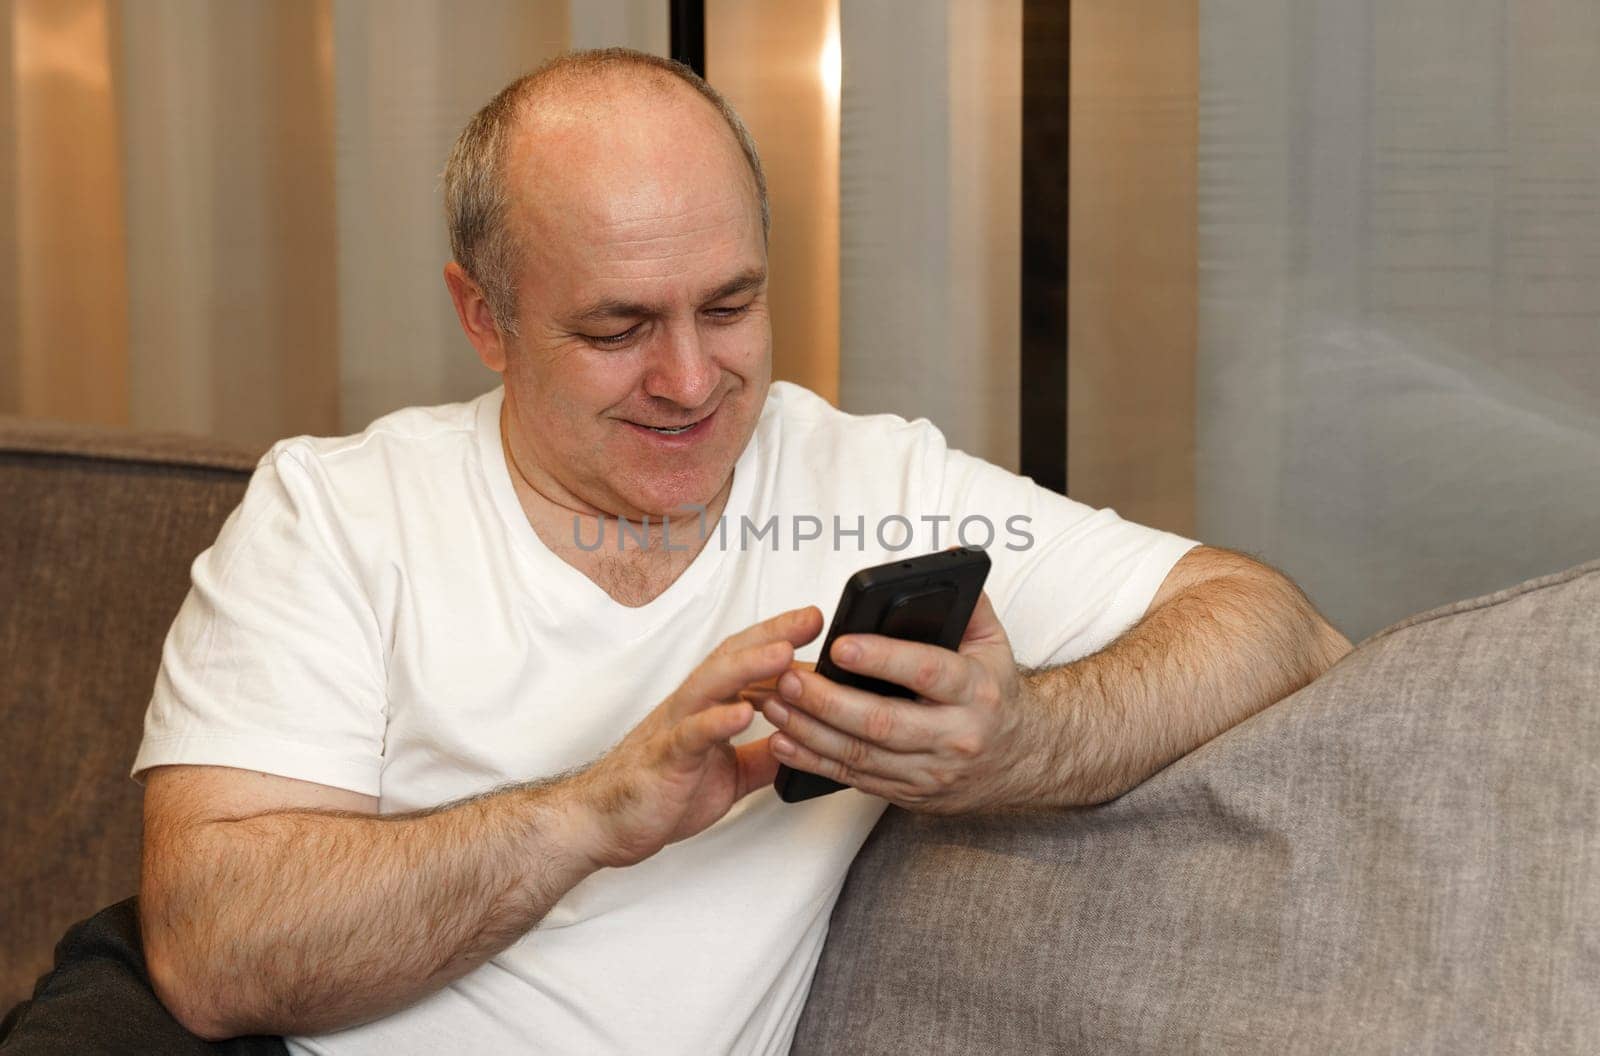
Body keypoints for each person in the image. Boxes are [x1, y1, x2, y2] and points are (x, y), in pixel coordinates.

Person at [127, 47, 1351, 1056]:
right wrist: (599, 810)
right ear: (483, 319)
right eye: (617, 327)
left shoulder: (872, 488)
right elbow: (210, 953)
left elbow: (1276, 627)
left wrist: (1025, 736)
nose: (691, 381)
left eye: (729, 306)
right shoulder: (333, 514)